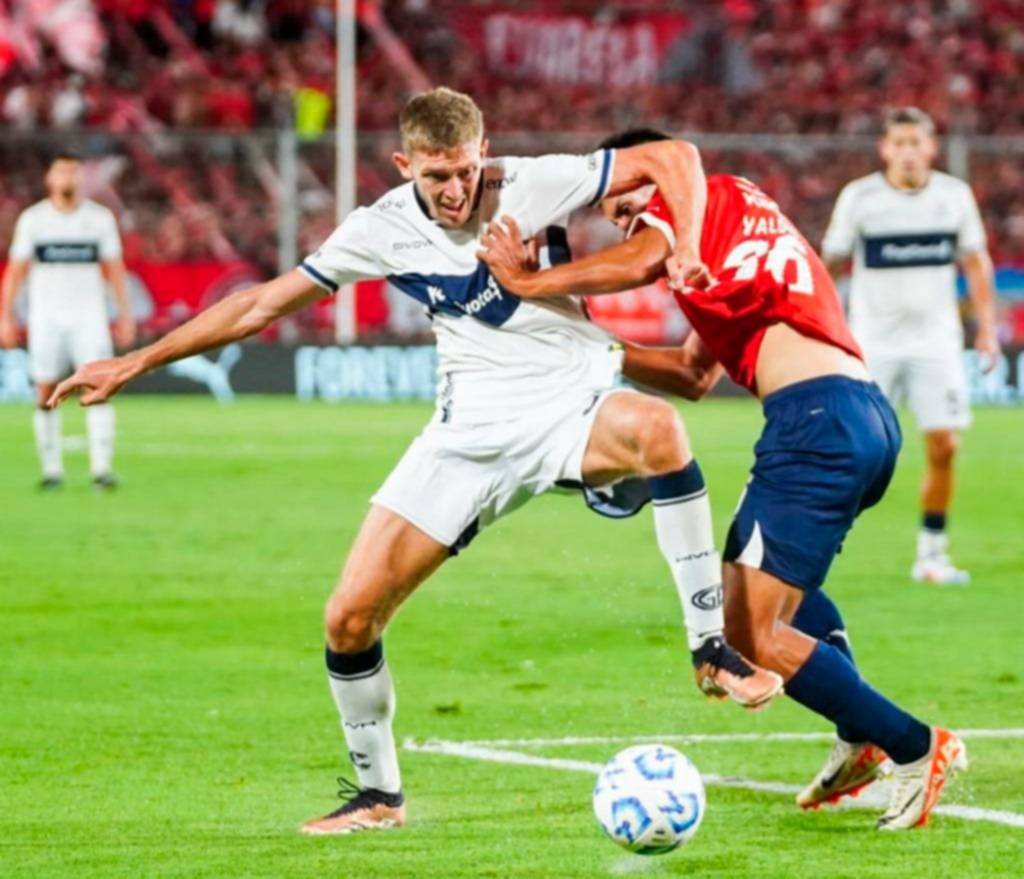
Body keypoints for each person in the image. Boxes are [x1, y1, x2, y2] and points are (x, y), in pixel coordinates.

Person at [47, 89, 782, 836]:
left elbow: (675, 155)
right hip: (466, 437)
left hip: (571, 403)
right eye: (437, 176)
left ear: (484, 151)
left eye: (466, 170)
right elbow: (260, 305)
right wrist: (136, 361)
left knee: (659, 427)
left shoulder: (531, 181)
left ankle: (709, 646)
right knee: (348, 619)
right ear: (405, 166)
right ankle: (379, 795)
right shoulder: (380, 229)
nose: (457, 190)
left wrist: (687, 244)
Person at [478, 127, 967, 832]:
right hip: (850, 413)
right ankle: (858, 732)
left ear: (651, 173)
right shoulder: (726, 229)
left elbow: (640, 260)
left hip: (816, 423)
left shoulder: (697, 204)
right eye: (616, 218)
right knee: (760, 582)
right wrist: (586, 342)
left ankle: (915, 746)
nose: (625, 223)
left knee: (748, 632)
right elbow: (692, 374)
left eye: (626, 205)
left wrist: (528, 285)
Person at [821, 107, 998, 586]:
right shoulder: (860, 198)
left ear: (931, 148)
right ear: (885, 149)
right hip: (871, 344)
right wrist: (821, 327)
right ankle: (819, 547)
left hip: (936, 345)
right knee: (856, 452)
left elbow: (976, 263)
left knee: (945, 445)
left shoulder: (953, 196)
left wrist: (985, 328)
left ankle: (931, 555)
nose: (907, 152)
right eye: (898, 143)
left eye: (915, 142)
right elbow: (829, 266)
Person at [0, 153, 135, 490]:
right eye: (61, 171)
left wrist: (125, 314)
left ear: (81, 178)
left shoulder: (99, 219)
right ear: (50, 178)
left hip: (90, 318)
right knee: (45, 389)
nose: (67, 178)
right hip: (46, 319)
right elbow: (15, 272)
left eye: (73, 172)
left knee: (98, 388)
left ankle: (101, 470)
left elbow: (114, 270)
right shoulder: (34, 220)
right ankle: (52, 471)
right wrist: (5, 316)